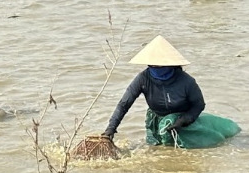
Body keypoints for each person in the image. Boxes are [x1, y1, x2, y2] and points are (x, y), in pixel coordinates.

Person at [101, 36, 238, 149]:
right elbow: (124, 104)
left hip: (182, 121)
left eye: (159, 66)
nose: (155, 69)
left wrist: (183, 121)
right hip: (156, 120)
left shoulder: (186, 81)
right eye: (152, 66)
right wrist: (110, 129)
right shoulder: (143, 79)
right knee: (157, 150)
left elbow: (199, 105)